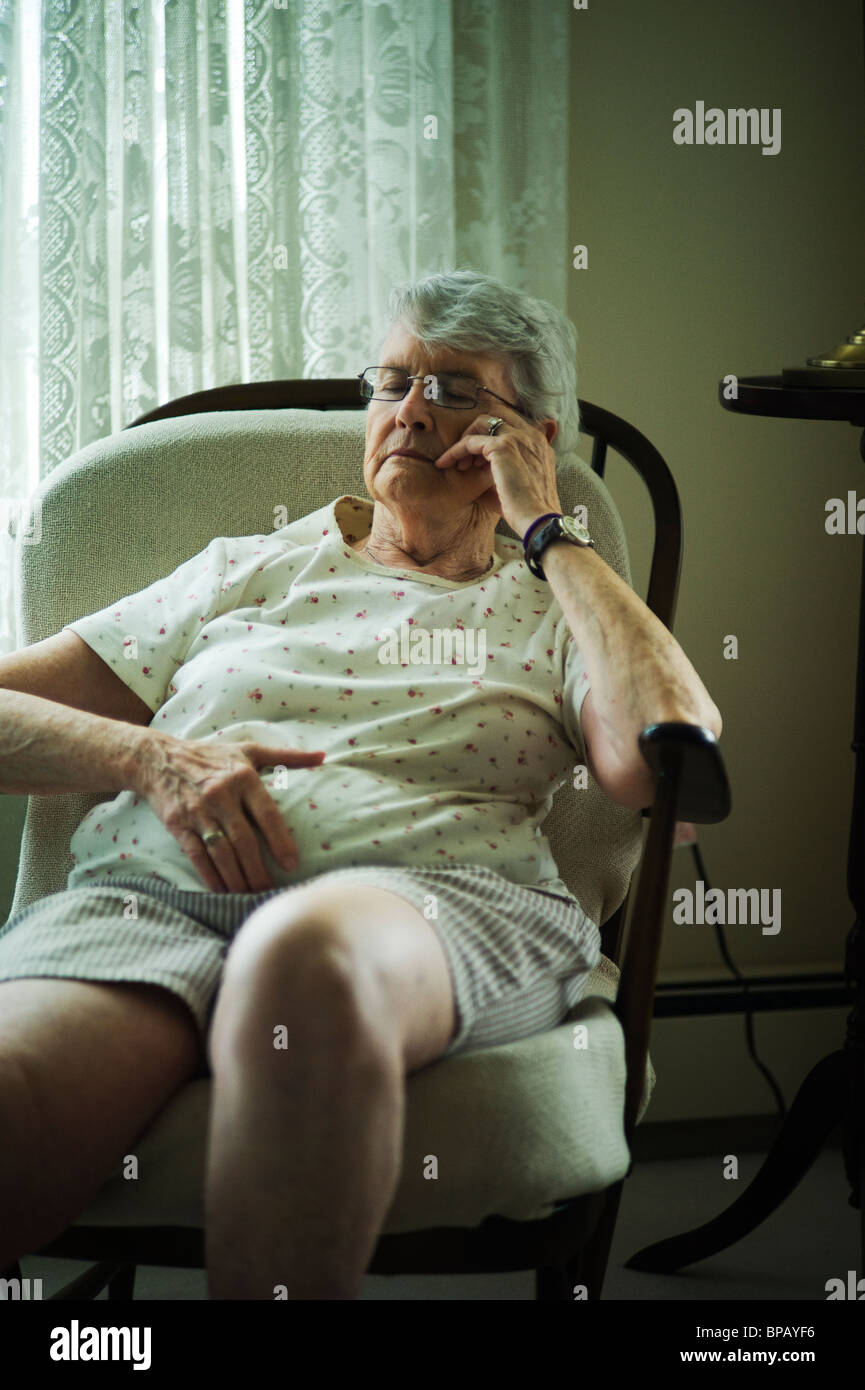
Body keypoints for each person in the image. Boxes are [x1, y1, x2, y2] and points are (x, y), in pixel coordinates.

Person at [0, 269, 721, 1298]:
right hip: (149, 900)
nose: (414, 409)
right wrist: (148, 756)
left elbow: (669, 756)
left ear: (532, 439)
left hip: (432, 901)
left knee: (306, 962)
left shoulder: (554, 604)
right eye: (392, 384)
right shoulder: (248, 569)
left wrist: (550, 532)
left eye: (459, 391)